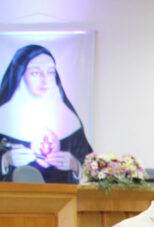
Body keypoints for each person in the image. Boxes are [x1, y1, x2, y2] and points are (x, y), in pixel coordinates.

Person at [0, 44, 92, 183]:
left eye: (50, 72)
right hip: (12, 196)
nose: (45, 80)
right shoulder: (3, 117)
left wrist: (75, 165)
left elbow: (89, 164)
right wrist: (5, 161)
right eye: (35, 73)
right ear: (21, 75)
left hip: (61, 195)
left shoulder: (70, 119)